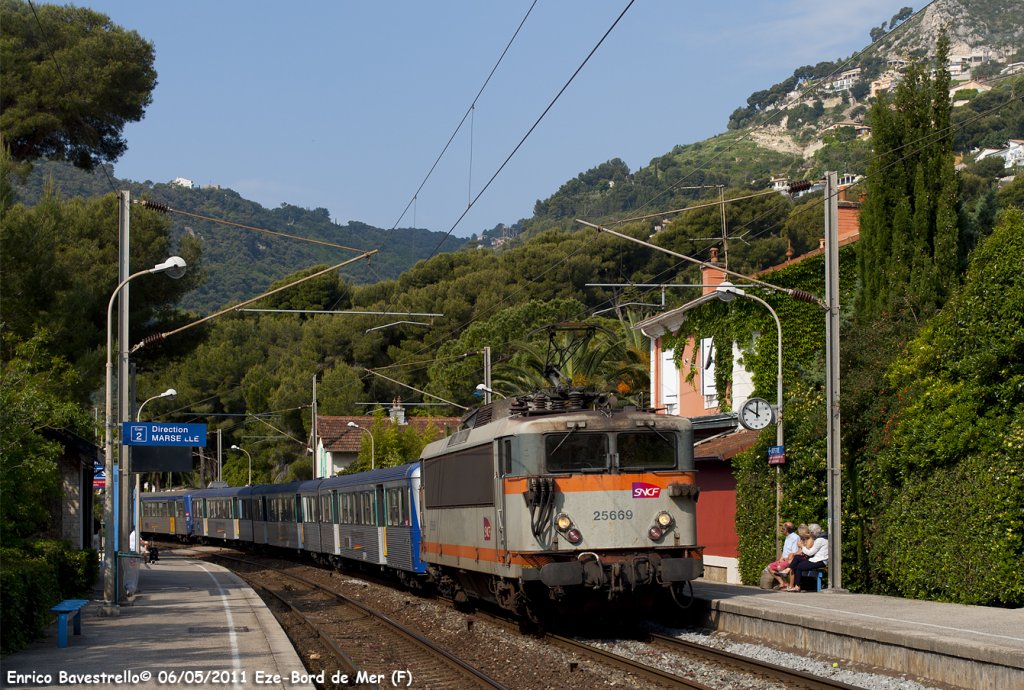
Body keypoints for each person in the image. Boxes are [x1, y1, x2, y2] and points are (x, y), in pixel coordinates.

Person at [786, 523, 828, 591]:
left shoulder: (819, 540)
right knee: (797, 558)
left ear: (813, 532)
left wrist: (802, 546)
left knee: (799, 566)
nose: (810, 534)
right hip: (816, 559)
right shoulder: (821, 538)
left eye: (810, 532)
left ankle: (797, 586)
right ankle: (788, 570)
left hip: (820, 561)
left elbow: (810, 553)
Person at [769, 523, 809, 589]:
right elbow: (785, 550)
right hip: (786, 558)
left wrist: (786, 558)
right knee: (770, 567)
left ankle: (788, 585)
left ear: (786, 530)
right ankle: (783, 583)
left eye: (783, 529)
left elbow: (794, 552)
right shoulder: (787, 537)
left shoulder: (795, 537)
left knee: (780, 567)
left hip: (790, 558)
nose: (782, 531)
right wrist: (781, 559)